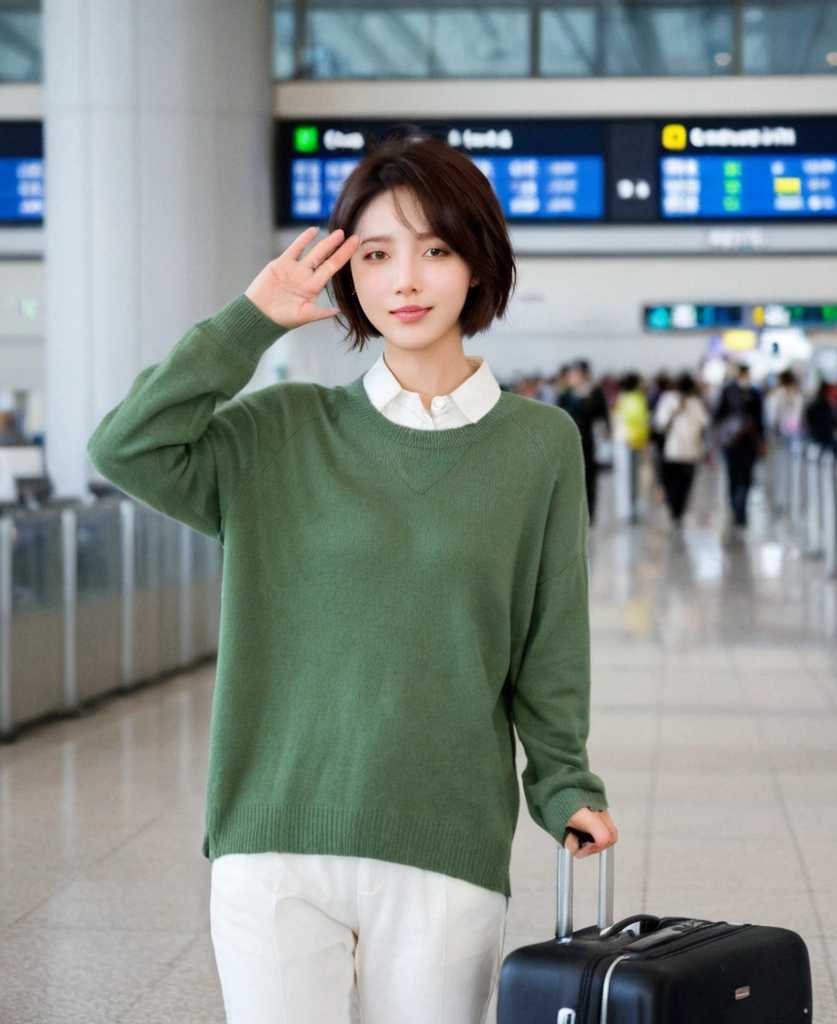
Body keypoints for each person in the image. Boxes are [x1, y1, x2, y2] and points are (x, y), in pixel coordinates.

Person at [87, 133, 617, 1024]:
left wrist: (565, 784)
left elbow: (549, 634)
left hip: (444, 846)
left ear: (480, 263)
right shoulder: (278, 432)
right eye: (376, 254)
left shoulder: (540, 446)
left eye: (436, 249)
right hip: (274, 845)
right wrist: (249, 321)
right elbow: (124, 446)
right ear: (347, 273)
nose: (405, 280)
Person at [652, 372, 708, 533]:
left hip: (675, 451)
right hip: (686, 451)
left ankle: (676, 511)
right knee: (682, 483)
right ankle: (677, 511)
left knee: (675, 483)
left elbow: (659, 424)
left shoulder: (672, 400)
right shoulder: (692, 402)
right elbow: (703, 425)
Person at [558, 359, 609, 523]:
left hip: (587, 440)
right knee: (571, 478)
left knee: (589, 477)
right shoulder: (566, 393)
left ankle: (589, 514)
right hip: (569, 441)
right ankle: (574, 514)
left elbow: (599, 413)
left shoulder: (593, 391)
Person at [713, 364, 764, 529]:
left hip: (736, 444)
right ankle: (739, 510)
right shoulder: (751, 394)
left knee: (737, 478)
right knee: (741, 478)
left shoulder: (730, 392)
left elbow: (717, 419)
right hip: (741, 444)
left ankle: (738, 510)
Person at [612, 372, 650, 523]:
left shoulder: (621, 398)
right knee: (632, 477)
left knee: (624, 476)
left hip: (621, 440)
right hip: (631, 442)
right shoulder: (636, 398)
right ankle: (630, 509)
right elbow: (639, 421)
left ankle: (625, 509)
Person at [805, 381, 837, 456]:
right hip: (823, 435)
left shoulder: (816, 403)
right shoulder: (824, 405)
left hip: (818, 435)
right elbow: (831, 420)